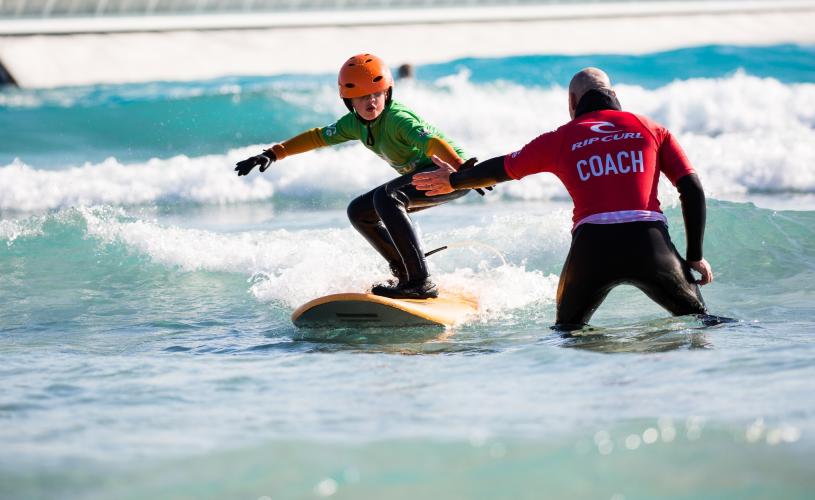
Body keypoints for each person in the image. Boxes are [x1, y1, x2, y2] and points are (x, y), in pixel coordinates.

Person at [413, 67, 714, 329]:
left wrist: (453, 180)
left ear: (572, 102)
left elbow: (502, 168)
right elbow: (691, 188)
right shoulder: (653, 130)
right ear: (614, 94)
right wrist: (695, 255)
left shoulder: (560, 138)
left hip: (593, 250)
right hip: (650, 246)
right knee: (702, 322)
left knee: (567, 331)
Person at [234, 53, 476, 299]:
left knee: (387, 198)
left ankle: (419, 282)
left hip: (451, 173)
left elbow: (433, 142)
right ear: (349, 101)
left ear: (387, 93)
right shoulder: (353, 124)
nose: (371, 101)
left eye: (376, 94)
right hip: (428, 175)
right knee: (360, 212)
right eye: (362, 97)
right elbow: (317, 136)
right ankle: (406, 273)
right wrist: (273, 154)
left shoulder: (397, 119)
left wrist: (462, 169)